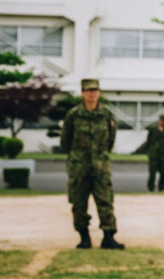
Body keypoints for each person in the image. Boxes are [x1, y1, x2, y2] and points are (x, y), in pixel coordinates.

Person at [60, 78, 125, 250]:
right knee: (79, 203)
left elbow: (111, 140)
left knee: (105, 201)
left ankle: (108, 237)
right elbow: (65, 142)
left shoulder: (106, 115)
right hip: (79, 167)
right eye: (89, 91)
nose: (92, 94)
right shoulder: (74, 115)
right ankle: (84, 238)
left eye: (95, 90)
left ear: (99, 92)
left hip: (100, 167)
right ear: (82, 93)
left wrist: (100, 157)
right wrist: (78, 156)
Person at [143, 115, 164, 192]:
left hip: (162, 154)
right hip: (154, 154)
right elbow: (148, 141)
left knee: (163, 172)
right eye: (160, 120)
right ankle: (151, 187)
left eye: (163, 121)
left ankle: (161, 187)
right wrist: (150, 152)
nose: (161, 122)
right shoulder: (153, 130)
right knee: (152, 172)